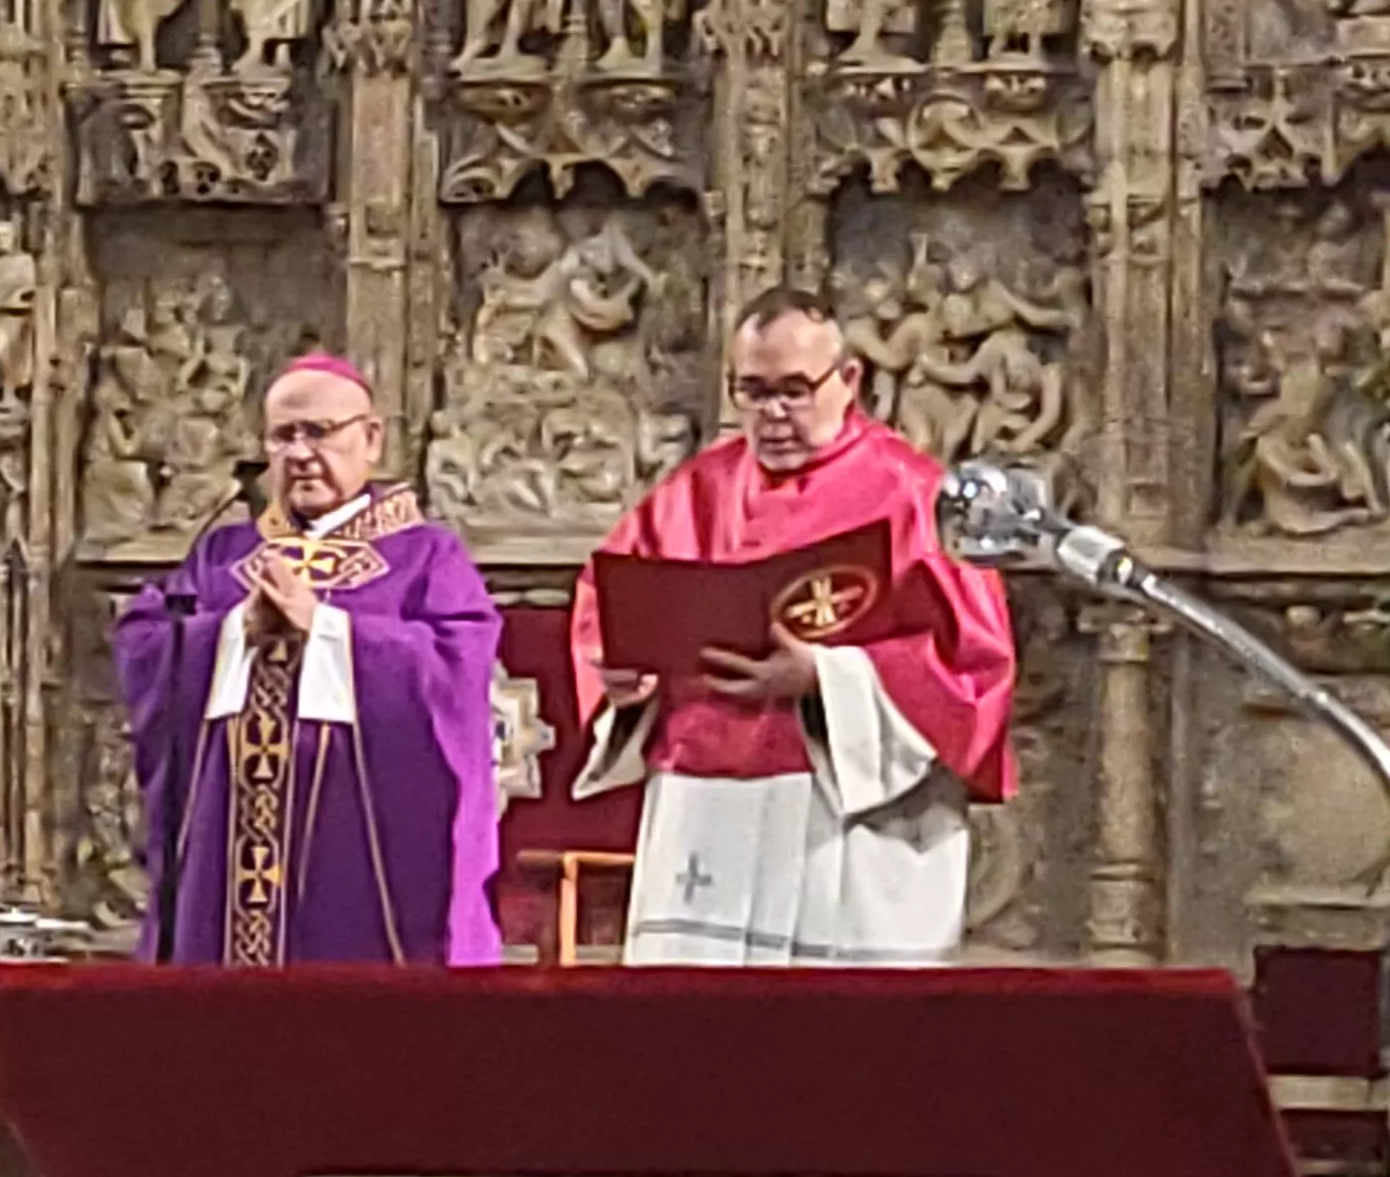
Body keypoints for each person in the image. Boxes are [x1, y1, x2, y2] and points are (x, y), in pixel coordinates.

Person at [572, 287, 1016, 965]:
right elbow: (606, 611)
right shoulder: (693, 494)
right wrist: (624, 682)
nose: (773, 414)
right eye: (752, 391)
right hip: (705, 806)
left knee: (836, 1052)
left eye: (794, 390)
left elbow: (973, 670)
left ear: (849, 380)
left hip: (845, 816)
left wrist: (826, 678)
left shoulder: (915, 496)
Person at [113, 353, 507, 967]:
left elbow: (455, 675)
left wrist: (324, 629)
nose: (298, 453)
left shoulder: (426, 557)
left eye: (319, 433)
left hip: (358, 844)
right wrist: (233, 631)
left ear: (371, 438)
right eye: (282, 436)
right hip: (227, 848)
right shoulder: (224, 551)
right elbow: (148, 642)